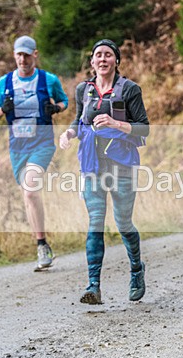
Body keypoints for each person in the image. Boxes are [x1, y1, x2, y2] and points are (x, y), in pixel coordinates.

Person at [59, 39, 149, 305]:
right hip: (92, 165)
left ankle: (136, 270)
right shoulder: (83, 90)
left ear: (116, 61)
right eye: (98, 55)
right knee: (96, 221)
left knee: (122, 223)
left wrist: (115, 123)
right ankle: (93, 285)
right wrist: (69, 132)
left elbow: (144, 128)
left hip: (121, 164)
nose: (102, 59)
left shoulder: (130, 89)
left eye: (108, 55)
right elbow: (79, 119)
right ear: (92, 62)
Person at [0, 36, 67, 271]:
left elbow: (64, 101)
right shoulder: (3, 83)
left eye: (27, 54)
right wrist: (3, 110)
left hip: (42, 144)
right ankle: (41, 241)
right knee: (28, 195)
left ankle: (42, 245)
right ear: (14, 56)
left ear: (35, 54)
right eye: (18, 55)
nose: (22, 59)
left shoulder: (47, 79)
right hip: (17, 147)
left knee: (30, 190)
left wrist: (55, 108)